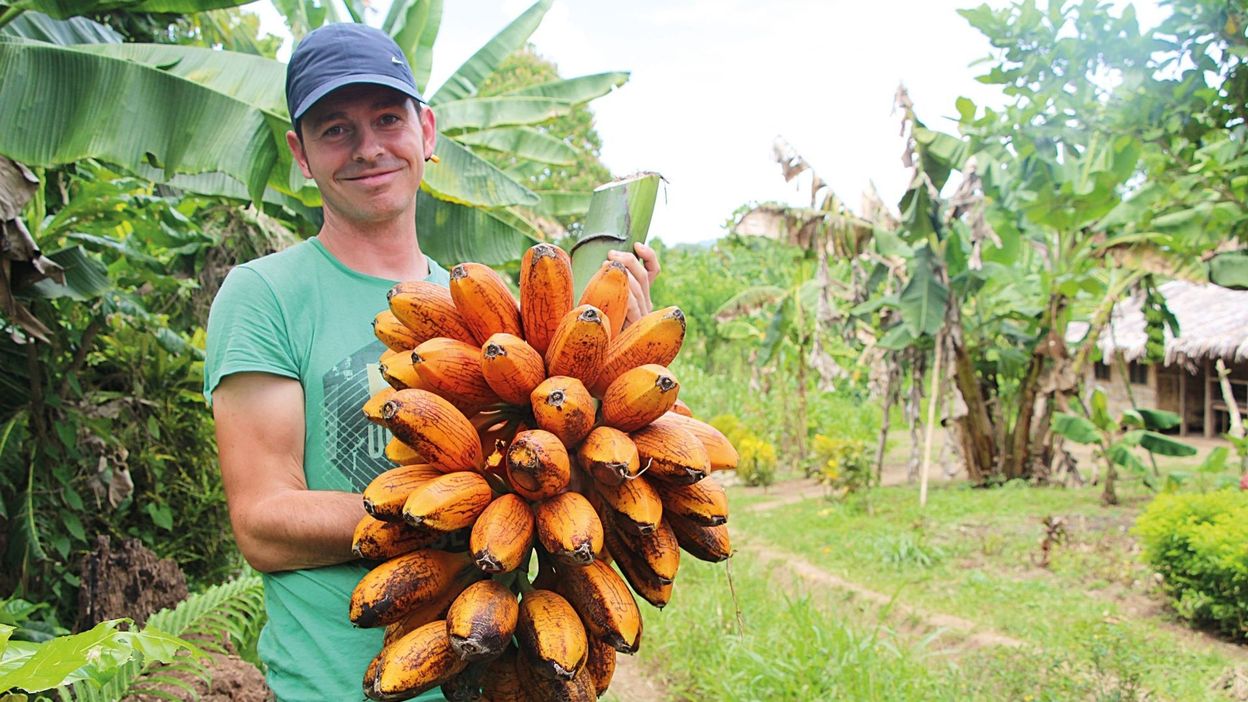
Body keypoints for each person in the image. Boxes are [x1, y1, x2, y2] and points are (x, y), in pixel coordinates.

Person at [202, 23, 660, 702]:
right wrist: (460, 513)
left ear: (427, 130)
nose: (368, 148)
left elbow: (575, 489)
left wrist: (621, 346)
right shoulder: (265, 295)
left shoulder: (486, 313)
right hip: (330, 686)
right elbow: (265, 523)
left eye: (388, 119)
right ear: (300, 154)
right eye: (336, 129)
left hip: (501, 670)